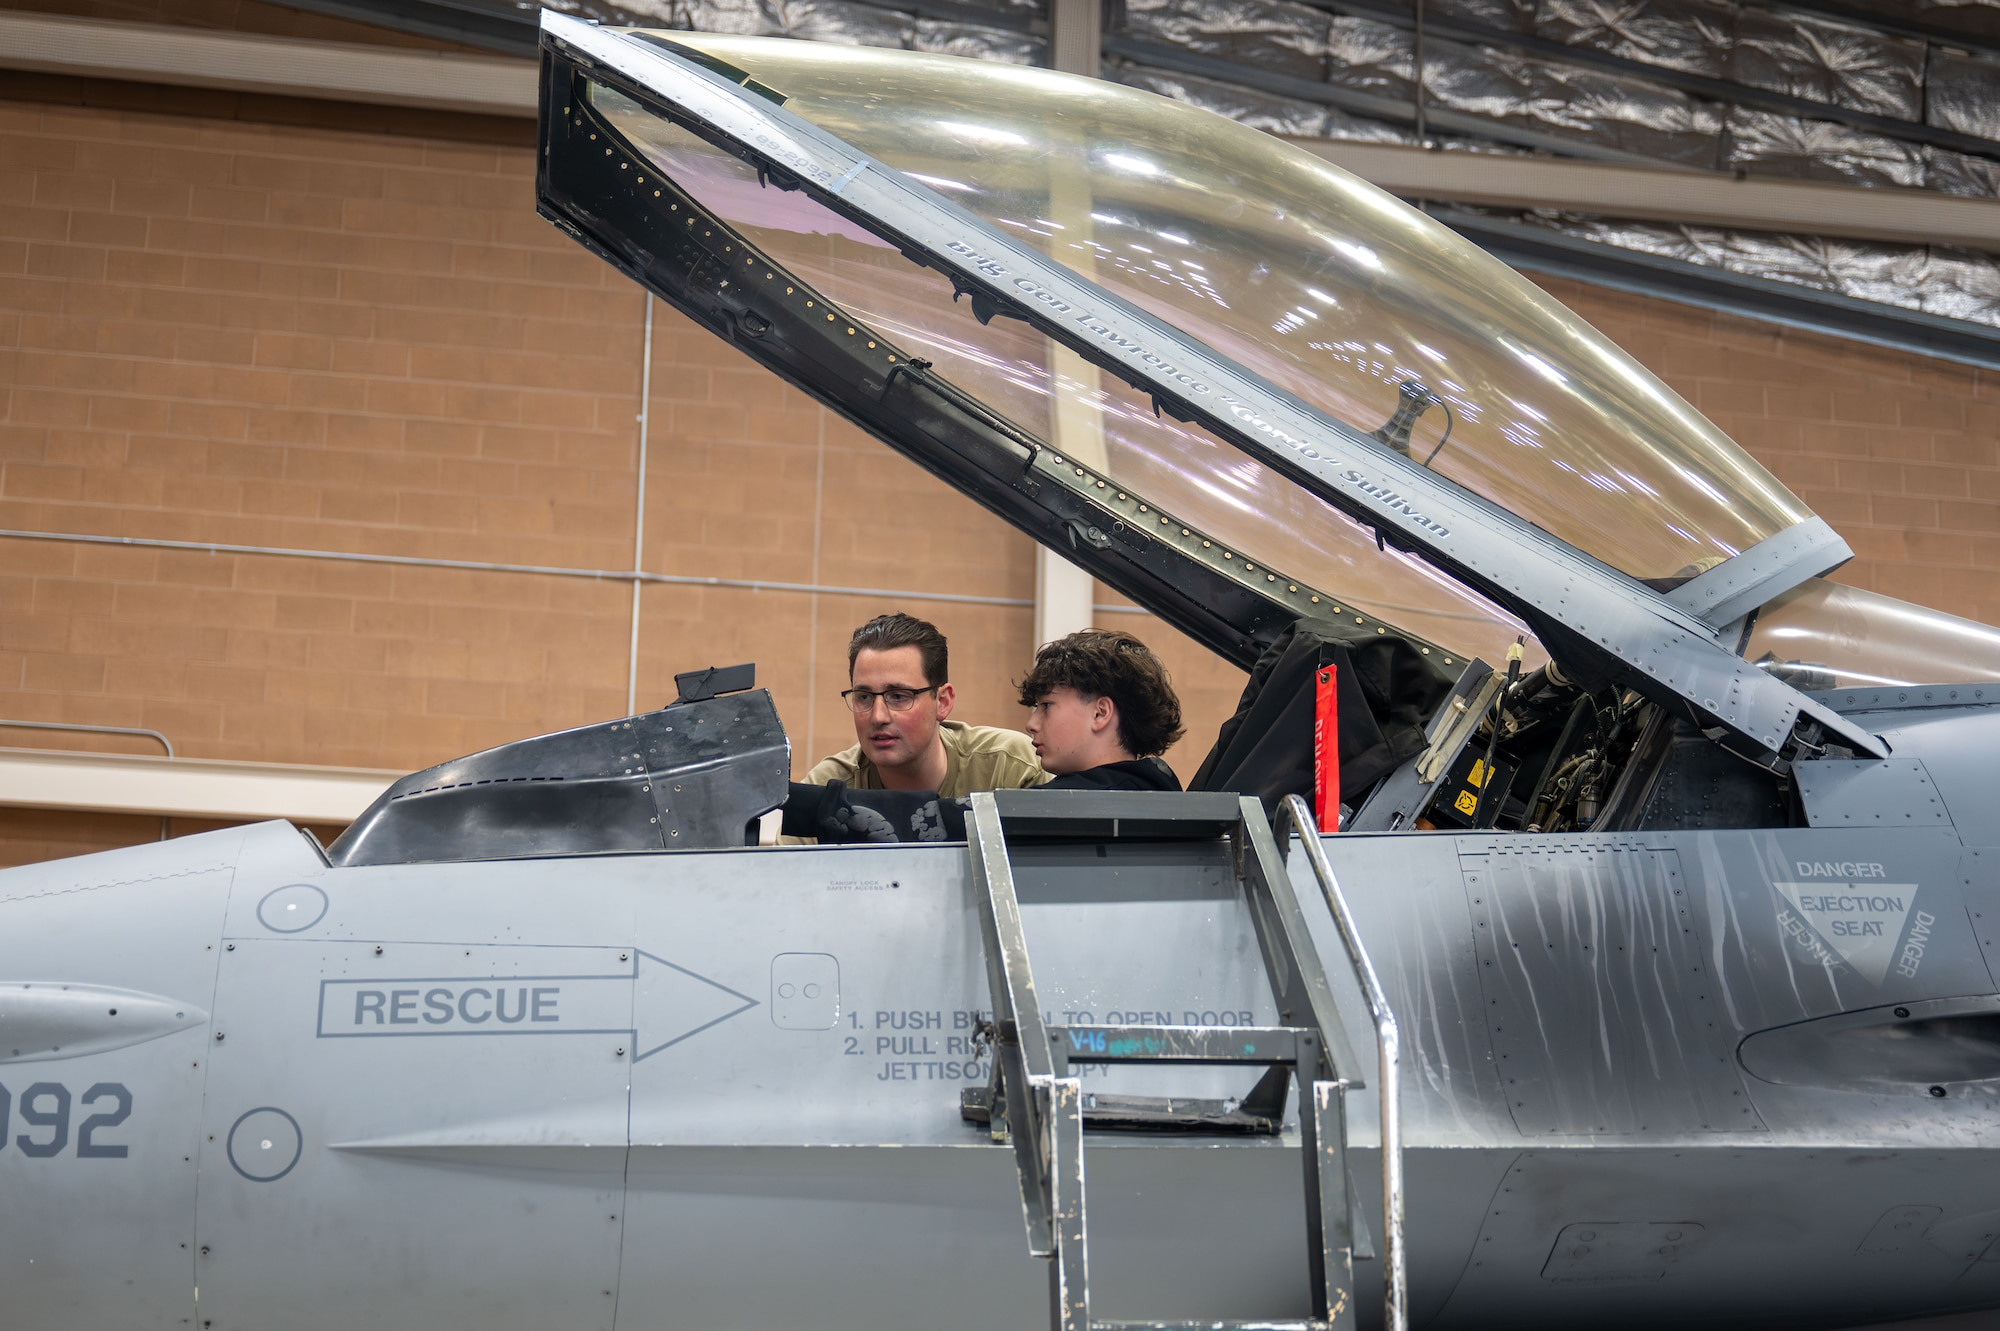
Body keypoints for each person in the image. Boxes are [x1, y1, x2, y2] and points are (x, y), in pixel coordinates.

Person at [783, 628, 1185, 842]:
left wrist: (782, 800)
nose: (1031, 724)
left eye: (1046, 706)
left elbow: (942, 822)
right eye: (864, 697)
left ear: (1100, 712)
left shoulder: (1088, 804)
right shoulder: (1150, 787)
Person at [805, 612, 1047, 797]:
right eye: (864, 697)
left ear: (942, 702)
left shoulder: (1010, 769)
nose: (878, 717)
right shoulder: (827, 790)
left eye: (898, 696)